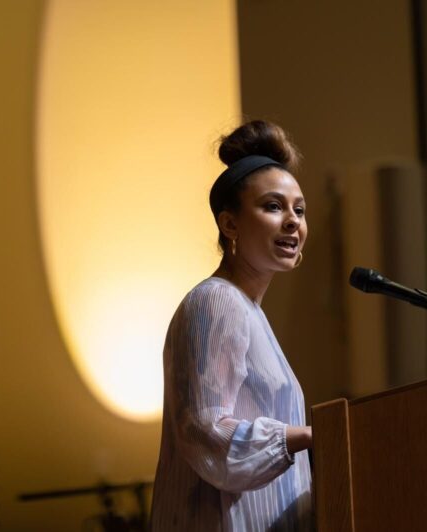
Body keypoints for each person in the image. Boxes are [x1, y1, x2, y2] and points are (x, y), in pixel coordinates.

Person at [150, 120, 313, 531]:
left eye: (299, 209)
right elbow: (204, 431)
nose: (292, 221)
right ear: (230, 224)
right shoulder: (216, 301)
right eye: (273, 206)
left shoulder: (248, 310)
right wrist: (307, 436)